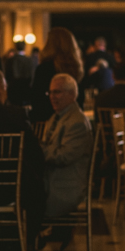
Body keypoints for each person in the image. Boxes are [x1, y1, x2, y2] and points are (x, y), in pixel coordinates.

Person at [0, 68, 45, 243]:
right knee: (37, 184)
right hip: (12, 189)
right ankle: (29, 240)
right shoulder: (15, 115)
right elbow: (36, 154)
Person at [40, 73, 93, 217]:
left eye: (57, 92)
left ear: (72, 94)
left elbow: (62, 156)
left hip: (64, 187)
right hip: (52, 180)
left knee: (24, 198)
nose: (52, 96)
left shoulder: (77, 122)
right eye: (50, 92)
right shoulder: (57, 117)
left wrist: (38, 151)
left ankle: (30, 236)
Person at [29, 28, 84, 122]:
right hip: (73, 118)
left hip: (47, 120)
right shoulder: (77, 68)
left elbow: (36, 98)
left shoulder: (44, 68)